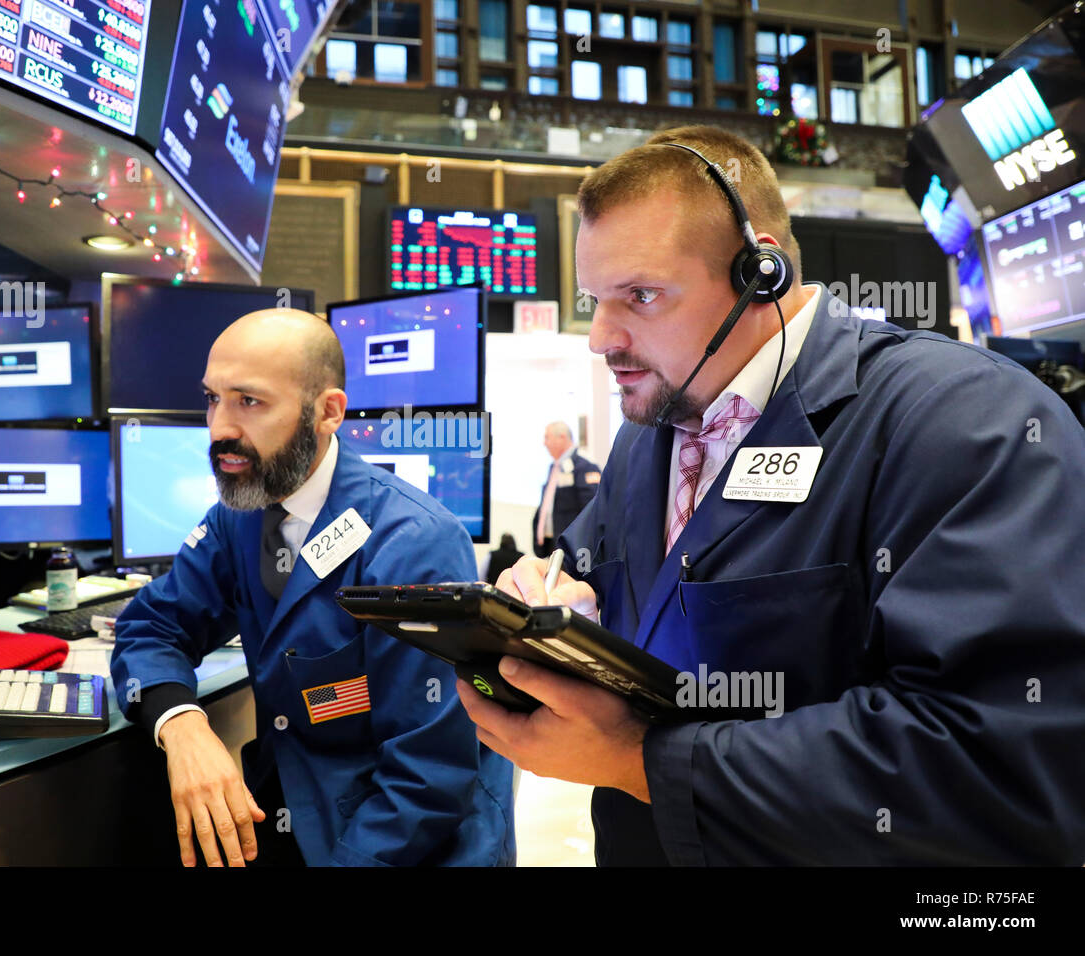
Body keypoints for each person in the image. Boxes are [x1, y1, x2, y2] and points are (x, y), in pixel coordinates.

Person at [457, 125, 1085, 865]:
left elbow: (1003, 762)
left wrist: (641, 763)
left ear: (763, 272)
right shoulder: (648, 437)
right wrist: (555, 599)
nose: (600, 337)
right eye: (595, 297)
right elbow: (600, 574)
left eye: (642, 296)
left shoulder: (964, 421)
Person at [112, 308, 515, 867]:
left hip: (404, 841)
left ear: (327, 412)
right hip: (296, 806)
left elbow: (427, 778)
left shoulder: (413, 543)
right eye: (212, 398)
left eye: (249, 401)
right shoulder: (242, 514)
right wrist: (180, 723)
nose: (219, 428)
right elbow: (152, 626)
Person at [531, 422, 601, 557]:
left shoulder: (584, 464)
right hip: (552, 544)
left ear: (562, 438)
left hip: (574, 549)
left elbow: (592, 507)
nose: (544, 443)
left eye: (547, 438)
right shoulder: (554, 467)